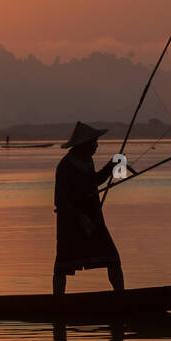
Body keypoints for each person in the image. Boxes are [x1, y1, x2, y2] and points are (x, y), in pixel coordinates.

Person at [52, 122, 133, 295]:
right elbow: (60, 200)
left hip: (93, 218)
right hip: (72, 221)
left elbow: (92, 182)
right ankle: (57, 302)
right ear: (84, 144)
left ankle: (121, 296)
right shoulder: (66, 166)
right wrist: (79, 217)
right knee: (62, 265)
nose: (97, 145)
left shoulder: (87, 161)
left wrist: (111, 165)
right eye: (94, 142)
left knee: (113, 259)